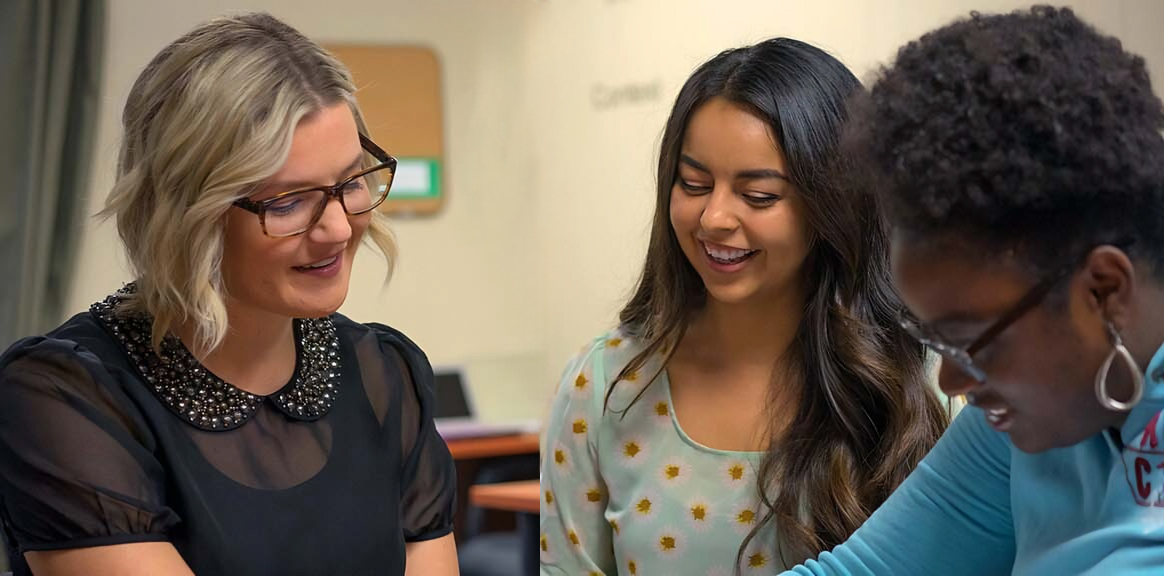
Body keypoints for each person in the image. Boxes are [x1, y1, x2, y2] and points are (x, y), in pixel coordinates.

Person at [0, 13, 458, 576]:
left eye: (349, 182)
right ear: (184, 213)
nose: (338, 228)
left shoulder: (386, 376)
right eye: (289, 201)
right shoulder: (65, 397)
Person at [540, 38, 949, 575]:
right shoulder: (604, 384)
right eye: (694, 184)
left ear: (834, 204)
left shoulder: (921, 382)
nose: (714, 218)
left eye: (758, 195)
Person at [781, 6, 1164, 575]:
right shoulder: (1042, 415)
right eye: (933, 337)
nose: (951, 381)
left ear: (1104, 290)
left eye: (971, 341)